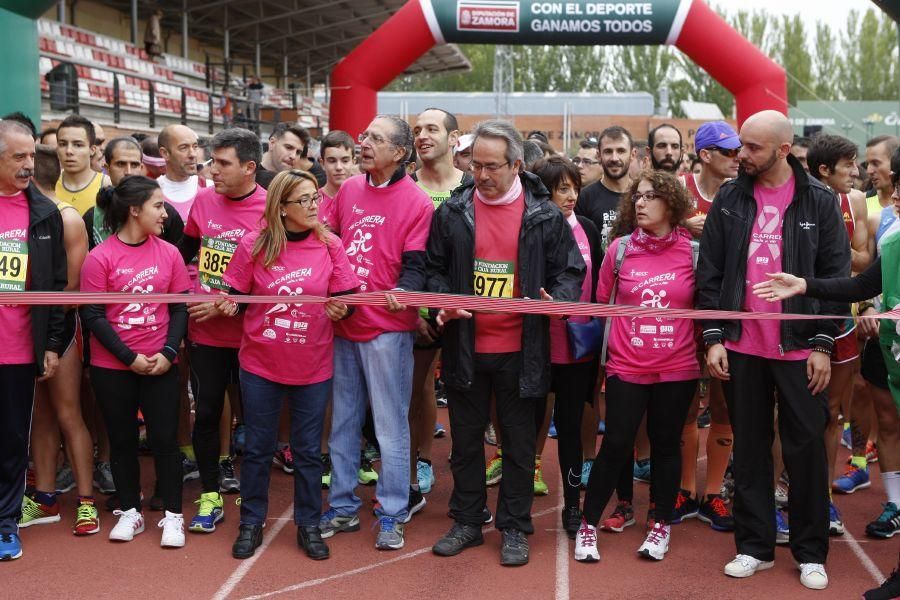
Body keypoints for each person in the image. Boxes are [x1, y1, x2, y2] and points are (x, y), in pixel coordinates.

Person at [696, 110, 850, 590]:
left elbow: (836, 275)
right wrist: (715, 336)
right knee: (750, 448)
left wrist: (823, 341)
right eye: (740, 145)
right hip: (743, 347)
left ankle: (810, 552)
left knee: (805, 452)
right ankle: (754, 546)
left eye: (753, 148)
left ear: (784, 150)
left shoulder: (819, 200)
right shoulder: (730, 196)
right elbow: (712, 273)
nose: (741, 155)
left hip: (801, 348)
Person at [427, 119, 584, 566]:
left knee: (518, 446)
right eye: (475, 165)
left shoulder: (545, 216)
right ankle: (468, 521)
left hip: (523, 351)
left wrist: (563, 300)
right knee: (466, 442)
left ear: (516, 165)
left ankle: (514, 527)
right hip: (465, 348)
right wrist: (444, 301)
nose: (481, 175)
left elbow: (570, 271)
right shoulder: (453, 212)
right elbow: (433, 268)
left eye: (492, 166)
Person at [752, 154, 900, 544]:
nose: (896, 198)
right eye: (896, 188)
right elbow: (859, 286)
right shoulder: (893, 241)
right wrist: (805, 285)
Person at [213, 169, 359, 560]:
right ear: (281, 207)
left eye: (316, 198)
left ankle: (309, 525)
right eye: (305, 200)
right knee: (259, 448)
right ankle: (250, 521)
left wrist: (341, 309)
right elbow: (234, 295)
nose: (315, 206)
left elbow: (346, 302)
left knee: (309, 451)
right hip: (260, 363)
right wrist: (228, 304)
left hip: (312, 364)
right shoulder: (253, 244)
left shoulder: (330, 245)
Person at [317, 115, 433, 551]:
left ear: (400, 153)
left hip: (387, 328)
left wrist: (406, 291)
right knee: (344, 421)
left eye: (375, 139)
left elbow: (417, 265)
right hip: (345, 322)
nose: (363, 143)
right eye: (364, 136)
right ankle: (344, 506)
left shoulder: (418, 202)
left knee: (389, 424)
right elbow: (328, 241)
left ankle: (392, 511)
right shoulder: (347, 190)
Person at [575, 169, 699, 563]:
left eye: (651, 197)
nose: (641, 203)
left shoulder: (693, 251)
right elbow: (602, 304)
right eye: (638, 197)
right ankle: (587, 525)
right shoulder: (621, 249)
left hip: (677, 366)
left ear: (672, 205)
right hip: (626, 364)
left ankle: (661, 524)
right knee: (615, 442)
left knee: (666, 445)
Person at [79, 175, 191, 547]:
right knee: (122, 439)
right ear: (134, 210)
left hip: (160, 365)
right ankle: (130, 511)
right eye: (158, 206)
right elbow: (93, 315)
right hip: (114, 368)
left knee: (164, 439)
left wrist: (168, 353)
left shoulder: (170, 253)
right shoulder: (100, 257)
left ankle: (173, 516)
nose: (165, 213)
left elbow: (178, 309)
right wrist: (129, 358)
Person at [177, 128, 268, 534]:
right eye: (212, 161)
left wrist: (233, 298)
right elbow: (183, 251)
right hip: (208, 333)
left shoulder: (272, 207)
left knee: (257, 419)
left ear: (250, 168)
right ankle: (210, 494)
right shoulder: (202, 200)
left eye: (223, 163)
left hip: (254, 334)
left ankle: (254, 500)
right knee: (209, 411)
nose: (212, 170)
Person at [18, 145, 95, 536]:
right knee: (40, 417)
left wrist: (44, 333)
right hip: (24, 330)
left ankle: (85, 502)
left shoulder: (67, 218)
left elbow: (75, 287)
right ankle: (45, 497)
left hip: (61, 329)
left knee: (68, 414)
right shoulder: (18, 217)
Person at [0, 121, 66, 561]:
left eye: (31, 157)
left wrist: (53, 344)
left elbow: (57, 286)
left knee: (9, 443)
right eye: (18, 157)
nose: (29, 165)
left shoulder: (45, 213)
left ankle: (5, 524)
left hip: (18, 350)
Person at [672, 121, 740, 532]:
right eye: (729, 152)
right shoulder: (679, 189)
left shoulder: (741, 193)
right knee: (683, 402)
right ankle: (684, 489)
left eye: (737, 152)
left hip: (727, 309)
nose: (737, 158)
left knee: (723, 400)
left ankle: (713, 492)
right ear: (705, 155)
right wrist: (681, 226)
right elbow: (639, 230)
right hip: (681, 310)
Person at [532, 155, 601, 537]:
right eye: (561, 188)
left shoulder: (588, 229)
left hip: (578, 350)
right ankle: (518, 502)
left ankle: (572, 507)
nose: (571, 195)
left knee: (573, 430)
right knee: (528, 427)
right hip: (538, 347)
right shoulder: (530, 228)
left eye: (574, 186)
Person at [805, 135, 871, 535]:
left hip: (839, 318)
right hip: (795, 319)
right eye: (849, 165)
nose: (857, 172)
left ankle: (823, 498)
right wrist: (834, 258)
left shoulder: (856, 201)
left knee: (833, 414)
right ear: (825, 169)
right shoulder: (797, 199)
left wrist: (830, 254)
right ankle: (782, 491)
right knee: (787, 414)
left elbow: (862, 260)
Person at [410, 107, 465, 502]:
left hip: (464, 306)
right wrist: (414, 309)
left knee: (471, 391)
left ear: (454, 138)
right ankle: (423, 459)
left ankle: (469, 464)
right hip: (421, 308)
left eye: (432, 128)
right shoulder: (407, 187)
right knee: (419, 387)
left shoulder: (474, 186)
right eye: (416, 130)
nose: (422, 135)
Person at [575, 126, 635, 248]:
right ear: (598, 155)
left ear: (632, 154)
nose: (614, 158)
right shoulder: (584, 198)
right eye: (608, 151)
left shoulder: (644, 196)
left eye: (621, 151)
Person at [55, 115, 109, 216]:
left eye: (78, 145)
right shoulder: (48, 184)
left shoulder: (107, 185)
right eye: (63, 144)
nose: (69, 151)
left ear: (92, 150)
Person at [157, 124, 210, 222]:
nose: (193, 154)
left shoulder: (210, 187)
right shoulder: (151, 190)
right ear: (165, 153)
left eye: (195, 147)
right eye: (183, 148)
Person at [257, 123, 326, 189]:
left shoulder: (297, 182)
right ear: (272, 143)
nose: (293, 156)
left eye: (298, 152)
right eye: (288, 147)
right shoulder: (250, 174)